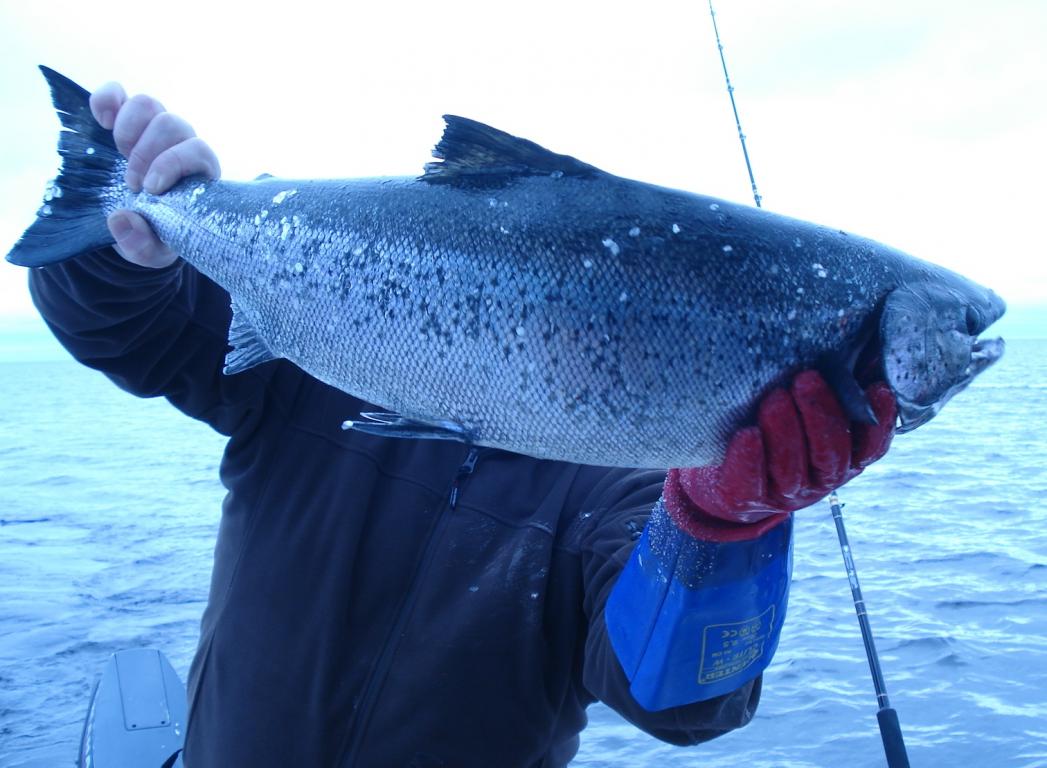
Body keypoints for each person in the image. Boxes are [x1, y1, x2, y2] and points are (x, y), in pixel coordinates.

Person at [28, 80, 896, 767]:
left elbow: (681, 699)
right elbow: (127, 334)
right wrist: (122, 242)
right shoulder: (318, 348)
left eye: (582, 291)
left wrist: (723, 529)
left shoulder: (631, 487)